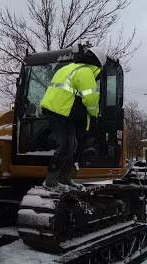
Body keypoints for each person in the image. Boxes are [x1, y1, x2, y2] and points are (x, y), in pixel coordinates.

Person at [39, 46, 106, 191]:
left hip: (57, 110)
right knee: (64, 146)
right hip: (60, 112)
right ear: (98, 64)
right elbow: (91, 98)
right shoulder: (85, 72)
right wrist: (95, 115)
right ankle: (50, 182)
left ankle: (65, 179)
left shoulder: (68, 68)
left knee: (72, 145)